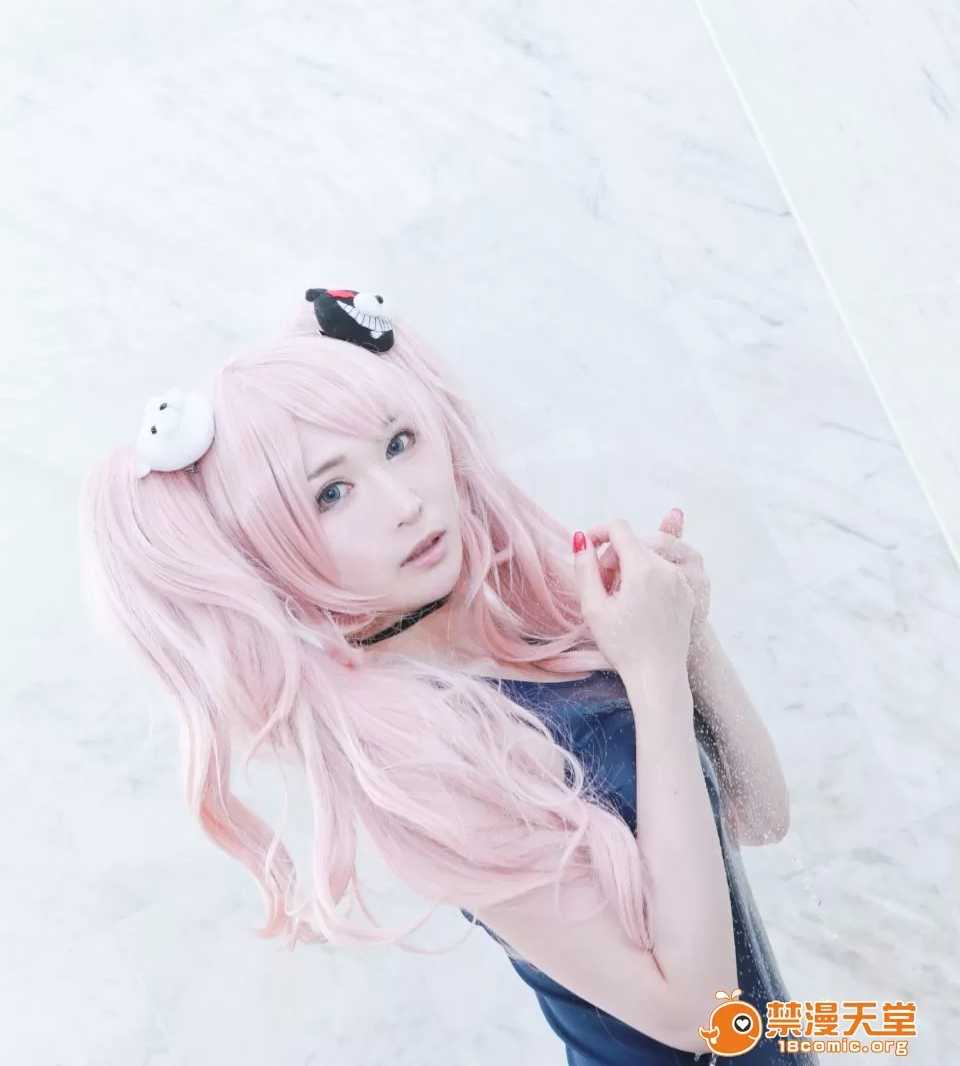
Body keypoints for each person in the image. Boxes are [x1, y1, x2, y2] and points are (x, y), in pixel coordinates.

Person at [79, 287, 792, 1064]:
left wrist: (687, 636)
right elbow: (695, 1014)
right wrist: (653, 674)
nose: (405, 502)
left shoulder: (537, 636)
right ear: (271, 550)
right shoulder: (423, 766)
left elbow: (758, 818)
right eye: (332, 493)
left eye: (398, 443)